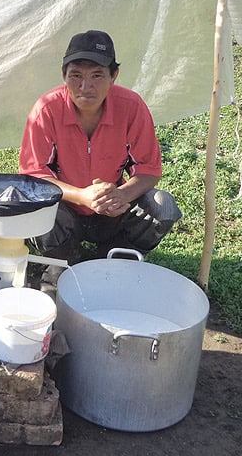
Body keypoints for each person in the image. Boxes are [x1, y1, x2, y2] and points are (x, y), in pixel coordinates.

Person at [18, 30, 182, 289]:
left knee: (163, 207)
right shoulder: (46, 109)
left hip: (113, 210)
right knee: (35, 204)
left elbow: (149, 169)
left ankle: (117, 254)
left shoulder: (131, 107)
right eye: (76, 76)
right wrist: (82, 195)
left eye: (97, 76)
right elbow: (34, 174)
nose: (85, 87)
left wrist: (121, 195)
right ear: (64, 76)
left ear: (113, 75)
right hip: (66, 208)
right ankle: (61, 259)